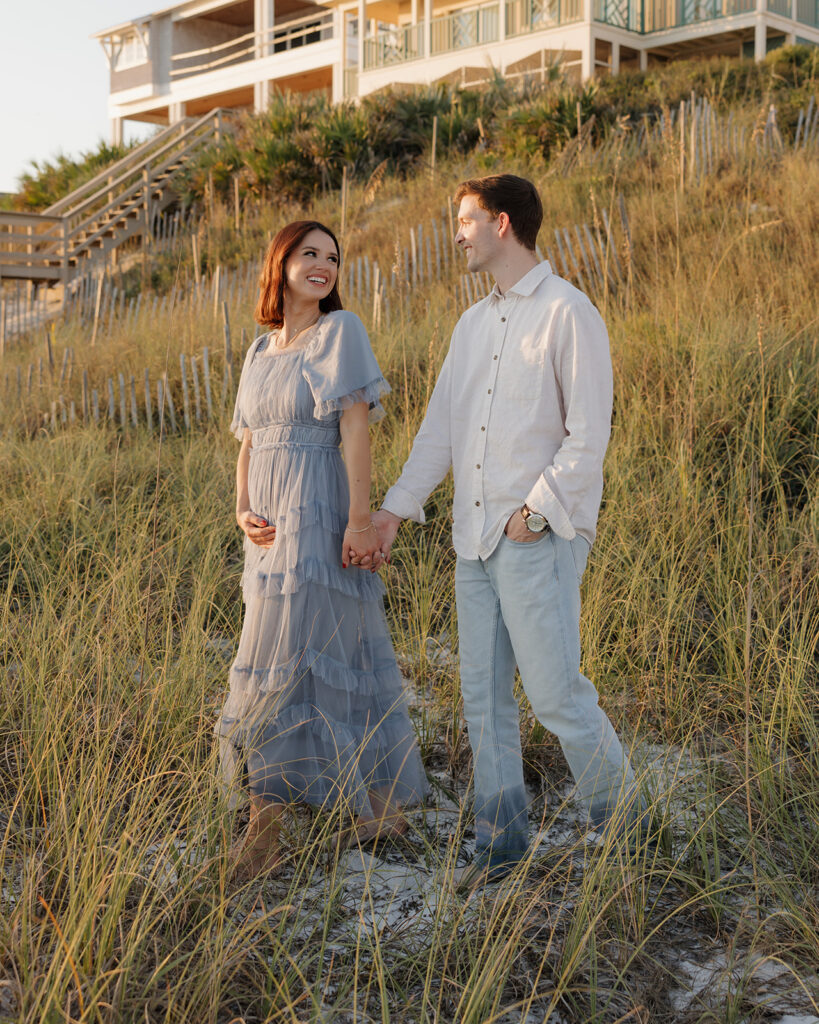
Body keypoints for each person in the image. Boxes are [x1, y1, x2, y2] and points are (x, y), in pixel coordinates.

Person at [371, 175, 646, 887]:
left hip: (536, 537)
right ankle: (499, 846)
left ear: (500, 223)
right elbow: (441, 431)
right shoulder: (470, 326)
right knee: (481, 699)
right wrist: (394, 511)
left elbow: (589, 435)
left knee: (555, 695)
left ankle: (630, 835)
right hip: (471, 542)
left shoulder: (567, 312)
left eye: (464, 220)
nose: (456, 233)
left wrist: (534, 513)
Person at [217, 220, 426, 880]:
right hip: (268, 527)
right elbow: (248, 439)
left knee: (296, 655)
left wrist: (359, 521)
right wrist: (241, 506)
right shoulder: (258, 348)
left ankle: (265, 828)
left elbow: (355, 433)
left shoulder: (341, 333)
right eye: (309, 253)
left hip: (319, 510)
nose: (323, 265)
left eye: (332, 257)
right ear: (279, 262)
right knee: (319, 651)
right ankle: (376, 806)